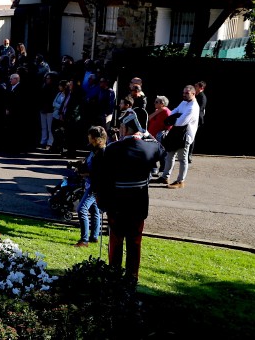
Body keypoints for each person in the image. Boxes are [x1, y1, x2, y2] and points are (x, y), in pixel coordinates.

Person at [91, 111, 165, 285]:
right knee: (135, 243)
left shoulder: (111, 150)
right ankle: (132, 277)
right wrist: (146, 133)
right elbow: (161, 149)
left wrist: (101, 202)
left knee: (115, 242)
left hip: (116, 205)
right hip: (138, 204)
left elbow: (99, 178)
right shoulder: (149, 147)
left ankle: (114, 276)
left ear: (125, 128)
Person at [157, 85, 200, 188]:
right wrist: (175, 116)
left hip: (185, 136)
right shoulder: (184, 102)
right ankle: (165, 177)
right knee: (169, 155)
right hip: (175, 133)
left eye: (187, 93)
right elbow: (174, 112)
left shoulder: (193, 107)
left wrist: (174, 118)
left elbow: (181, 122)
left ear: (193, 94)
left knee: (182, 159)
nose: (184, 95)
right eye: (183, 93)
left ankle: (180, 181)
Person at [75, 126, 106, 247]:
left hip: (95, 186)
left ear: (95, 138)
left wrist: (85, 173)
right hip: (91, 184)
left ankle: (84, 240)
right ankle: (94, 237)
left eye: (90, 135)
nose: (88, 137)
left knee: (81, 209)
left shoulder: (102, 152)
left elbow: (101, 172)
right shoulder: (94, 150)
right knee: (94, 211)